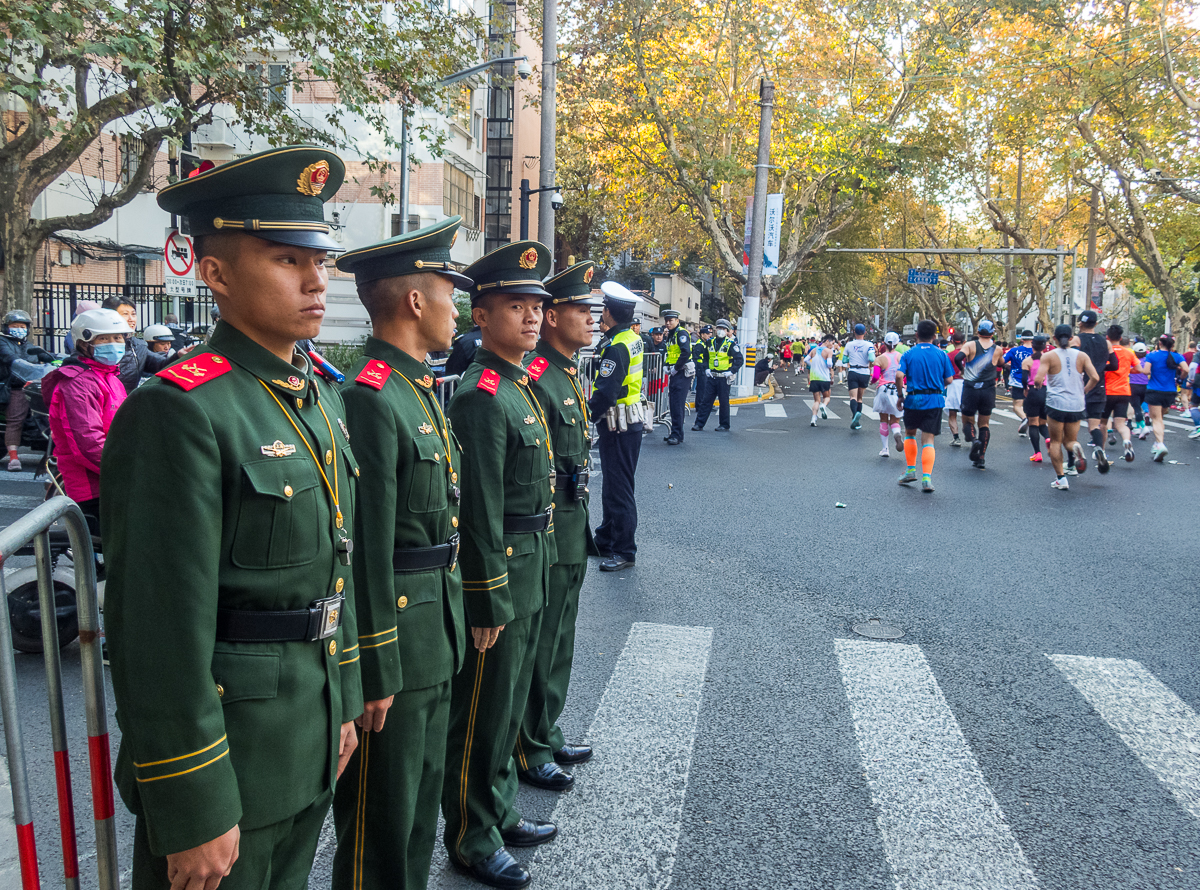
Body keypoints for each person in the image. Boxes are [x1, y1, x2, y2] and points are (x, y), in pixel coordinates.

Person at [101, 145, 362, 890]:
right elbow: (156, 630)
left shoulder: (315, 397)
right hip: (230, 762)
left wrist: (340, 702)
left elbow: (332, 569)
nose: (316, 280)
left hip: (305, 734)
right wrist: (192, 800)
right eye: (286, 259)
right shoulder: (181, 410)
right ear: (214, 273)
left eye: (318, 260)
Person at [330, 217, 472, 890]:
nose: (458, 306)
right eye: (450, 289)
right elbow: (365, 550)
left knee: (418, 808)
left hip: (434, 631)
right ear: (416, 300)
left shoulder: (417, 387)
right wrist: (376, 665)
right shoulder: (372, 398)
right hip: (399, 640)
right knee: (380, 828)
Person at [439, 241, 558, 890]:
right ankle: (471, 833)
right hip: (503, 567)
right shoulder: (482, 394)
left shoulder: (520, 383)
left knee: (509, 705)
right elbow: (478, 507)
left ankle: (501, 808)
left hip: (533, 560)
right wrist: (484, 596)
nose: (532, 317)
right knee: (482, 713)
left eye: (536, 306)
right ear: (480, 317)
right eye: (516, 306)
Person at [515, 260, 600, 796]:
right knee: (541, 643)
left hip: (573, 523)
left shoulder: (566, 372)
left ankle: (547, 730)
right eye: (580, 310)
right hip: (550, 527)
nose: (592, 319)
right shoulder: (540, 378)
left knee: (561, 638)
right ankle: (530, 744)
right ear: (551, 319)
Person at [41, 309, 128, 534]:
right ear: (83, 343)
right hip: (93, 487)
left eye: (118, 338)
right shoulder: (77, 383)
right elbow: (88, 445)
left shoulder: (110, 377)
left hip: (114, 477)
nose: (114, 343)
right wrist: (130, 470)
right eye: (104, 338)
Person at [589, 282, 645, 573]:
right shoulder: (628, 338)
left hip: (619, 423)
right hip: (627, 422)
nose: (600, 316)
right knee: (614, 484)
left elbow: (606, 392)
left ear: (609, 312)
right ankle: (606, 538)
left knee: (619, 488)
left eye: (602, 311)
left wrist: (587, 415)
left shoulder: (618, 346)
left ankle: (624, 550)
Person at [1034, 323, 1100, 489]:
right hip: (1076, 404)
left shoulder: (1048, 356)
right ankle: (1076, 447)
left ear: (1054, 338)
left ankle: (1061, 479)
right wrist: (1083, 391)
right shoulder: (1082, 356)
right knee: (1070, 440)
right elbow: (1095, 377)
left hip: (1056, 403)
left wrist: (1038, 385)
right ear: (1071, 338)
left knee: (1056, 441)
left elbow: (1038, 379)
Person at [896, 320, 955, 493]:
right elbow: (950, 379)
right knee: (928, 439)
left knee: (910, 433)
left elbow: (899, 375)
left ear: (916, 335)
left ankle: (910, 470)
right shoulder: (942, 354)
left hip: (914, 399)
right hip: (935, 400)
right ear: (935, 336)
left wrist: (900, 396)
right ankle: (927, 479)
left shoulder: (909, 354)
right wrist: (939, 386)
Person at [0, 309, 58, 471]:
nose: (19, 328)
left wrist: (58, 359)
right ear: (7, 327)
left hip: (33, 387)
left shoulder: (28, 345)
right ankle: (13, 458)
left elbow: (44, 356)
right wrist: (26, 366)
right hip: (15, 387)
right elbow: (10, 358)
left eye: (22, 325)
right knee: (15, 420)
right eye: (15, 325)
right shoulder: (3, 342)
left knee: (50, 417)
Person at [1071, 309, 1118, 474]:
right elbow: (1114, 365)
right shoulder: (1106, 342)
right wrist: (1099, 367)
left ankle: (1073, 462)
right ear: (1096, 324)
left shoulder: (1076, 340)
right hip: (1098, 387)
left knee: (1072, 427)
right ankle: (1099, 448)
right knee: (1094, 426)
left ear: (1080, 323)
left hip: (1079, 387)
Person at [954, 320, 1004, 469]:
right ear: (992, 333)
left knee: (967, 421)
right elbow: (1001, 363)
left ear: (977, 332)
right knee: (984, 424)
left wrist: (962, 370)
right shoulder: (997, 349)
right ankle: (981, 457)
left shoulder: (970, 345)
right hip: (988, 389)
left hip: (971, 388)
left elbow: (958, 358)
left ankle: (974, 440)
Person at [99, 296, 173, 393]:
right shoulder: (96, 345)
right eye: (125, 314)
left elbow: (161, 365)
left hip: (125, 403)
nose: (131, 319)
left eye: (133, 314)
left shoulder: (139, 345)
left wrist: (179, 356)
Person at [1140, 333, 1187, 462]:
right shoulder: (1177, 356)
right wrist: (1179, 379)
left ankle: (1160, 444)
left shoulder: (1152, 356)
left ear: (1160, 343)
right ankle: (1157, 443)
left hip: (1154, 390)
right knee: (1161, 417)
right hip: (1170, 391)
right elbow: (1186, 370)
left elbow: (1146, 371)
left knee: (1156, 419)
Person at [693, 318, 742, 431]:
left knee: (724, 402)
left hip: (724, 377)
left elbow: (739, 360)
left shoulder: (730, 344)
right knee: (706, 401)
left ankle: (724, 425)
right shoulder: (710, 342)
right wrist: (706, 368)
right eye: (719, 328)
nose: (721, 330)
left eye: (723, 329)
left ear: (727, 331)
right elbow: (705, 357)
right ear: (716, 329)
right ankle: (699, 424)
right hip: (712, 376)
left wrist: (731, 371)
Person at [1102, 324, 1138, 463]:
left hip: (1107, 391)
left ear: (1107, 338)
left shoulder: (1106, 352)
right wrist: (1127, 372)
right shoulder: (1129, 352)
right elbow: (1139, 368)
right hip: (1124, 391)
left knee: (1103, 423)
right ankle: (1127, 442)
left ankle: (1102, 450)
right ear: (1121, 338)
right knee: (1121, 424)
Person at [661, 309, 692, 445]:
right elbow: (671, 353)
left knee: (678, 404)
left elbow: (685, 352)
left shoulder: (681, 333)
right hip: (675, 372)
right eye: (666, 321)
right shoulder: (671, 335)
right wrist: (666, 365)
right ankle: (676, 433)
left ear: (677, 321)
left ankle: (676, 434)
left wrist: (675, 367)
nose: (668, 323)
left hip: (682, 372)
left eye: (671, 320)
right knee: (674, 404)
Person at [872, 332, 904, 457]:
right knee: (895, 419)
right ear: (897, 343)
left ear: (884, 343)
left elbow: (875, 376)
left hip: (884, 390)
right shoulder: (902, 357)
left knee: (883, 419)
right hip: (898, 390)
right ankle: (897, 433)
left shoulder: (879, 358)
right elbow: (905, 376)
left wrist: (872, 381)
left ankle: (885, 449)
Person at [1022, 335, 1050, 463]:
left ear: (1032, 345)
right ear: (1045, 346)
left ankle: (1037, 453)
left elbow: (1023, 379)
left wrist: (1025, 389)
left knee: (1033, 423)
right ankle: (1048, 438)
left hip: (1033, 390)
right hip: (1046, 391)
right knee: (1043, 422)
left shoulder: (1027, 361)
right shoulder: (1049, 359)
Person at [843, 323, 875, 430]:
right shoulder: (869, 344)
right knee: (860, 398)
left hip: (853, 371)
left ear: (854, 332)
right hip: (864, 372)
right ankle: (857, 418)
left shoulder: (849, 345)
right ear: (865, 333)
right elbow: (871, 359)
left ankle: (854, 416)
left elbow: (844, 360)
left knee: (852, 397)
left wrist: (851, 358)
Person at [1003, 330, 1034, 433]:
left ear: (1021, 339)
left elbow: (1003, 361)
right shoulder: (1037, 352)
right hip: (1033, 381)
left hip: (1017, 381)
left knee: (1017, 406)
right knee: (1029, 406)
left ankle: (1025, 419)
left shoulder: (1014, 350)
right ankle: (1029, 425)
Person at [807, 335, 834, 426]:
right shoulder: (828, 351)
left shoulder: (814, 350)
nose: (832, 345)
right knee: (827, 397)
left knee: (816, 401)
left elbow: (807, 360)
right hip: (824, 378)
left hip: (814, 378)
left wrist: (813, 366)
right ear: (827, 341)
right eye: (832, 343)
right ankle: (824, 405)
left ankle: (813, 419)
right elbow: (830, 364)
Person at [945, 331, 966, 446]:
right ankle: (970, 435)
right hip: (967, 384)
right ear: (964, 341)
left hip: (953, 384)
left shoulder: (949, 355)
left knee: (952, 413)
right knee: (967, 413)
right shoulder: (969, 354)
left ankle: (956, 437)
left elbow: (946, 372)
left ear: (952, 342)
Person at [1129, 341, 1150, 438]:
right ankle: (1138, 427)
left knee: (1136, 407)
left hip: (1133, 386)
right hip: (1145, 386)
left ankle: (1142, 426)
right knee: (1140, 406)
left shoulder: (1133, 360)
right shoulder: (1148, 361)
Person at [691, 324, 711, 405]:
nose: (709, 335)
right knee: (701, 388)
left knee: (705, 387)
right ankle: (699, 404)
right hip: (700, 368)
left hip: (703, 367)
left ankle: (702, 403)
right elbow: (696, 356)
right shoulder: (699, 344)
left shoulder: (705, 343)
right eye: (707, 334)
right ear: (702, 335)